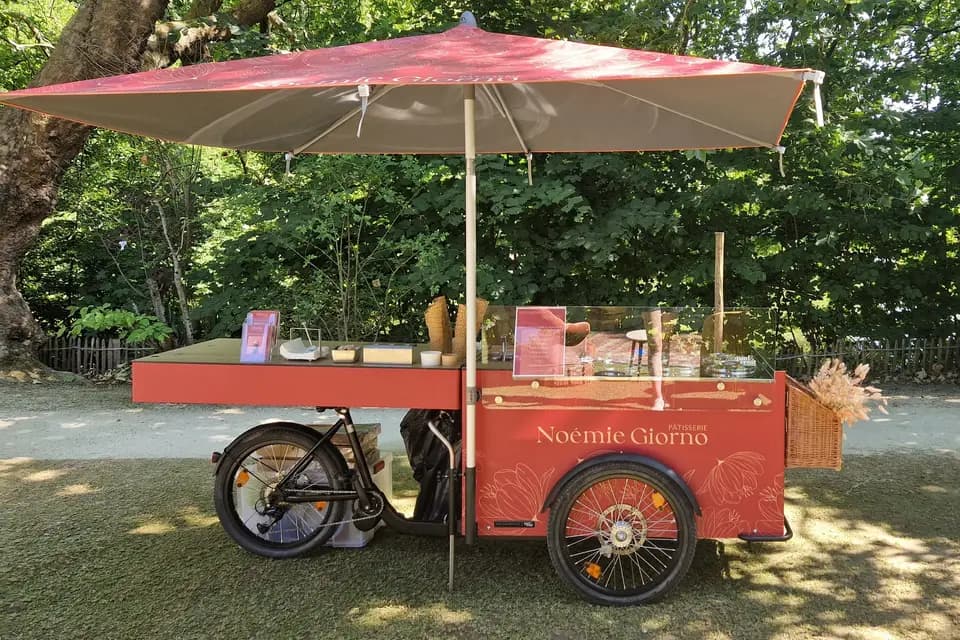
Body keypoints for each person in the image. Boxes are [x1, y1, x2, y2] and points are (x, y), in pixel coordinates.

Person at [642, 309, 667, 410]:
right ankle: (658, 397)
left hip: (675, 300)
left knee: (666, 343)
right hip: (652, 302)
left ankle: (664, 394)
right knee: (655, 346)